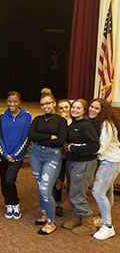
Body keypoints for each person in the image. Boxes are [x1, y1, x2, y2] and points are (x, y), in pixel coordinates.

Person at [28, 90, 68, 235]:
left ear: (54, 103)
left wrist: (41, 139)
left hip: (52, 156)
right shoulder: (38, 119)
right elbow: (31, 135)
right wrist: (49, 136)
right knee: (40, 186)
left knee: (45, 188)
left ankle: (51, 222)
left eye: (48, 103)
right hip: (36, 154)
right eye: (42, 104)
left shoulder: (61, 121)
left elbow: (60, 140)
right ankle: (44, 214)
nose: (45, 106)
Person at [63, 99, 99, 236]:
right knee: (73, 191)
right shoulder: (74, 123)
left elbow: (94, 146)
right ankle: (77, 217)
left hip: (84, 163)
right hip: (73, 161)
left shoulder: (86, 125)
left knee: (77, 194)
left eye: (78, 108)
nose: (74, 110)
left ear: (84, 110)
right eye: (73, 107)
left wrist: (73, 148)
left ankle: (88, 224)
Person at [0, 91, 31, 220]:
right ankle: (8, 204)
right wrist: (5, 154)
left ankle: (15, 203)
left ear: (19, 102)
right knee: (3, 181)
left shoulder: (27, 116)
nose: (12, 104)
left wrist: (15, 154)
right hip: (4, 155)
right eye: (10, 101)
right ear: (7, 102)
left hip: (17, 156)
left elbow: (27, 138)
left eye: (15, 102)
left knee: (9, 179)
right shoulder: (1, 116)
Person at [89, 98, 120, 240]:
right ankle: (103, 218)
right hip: (107, 161)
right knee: (107, 192)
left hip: (110, 162)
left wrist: (82, 150)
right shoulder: (98, 123)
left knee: (97, 192)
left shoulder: (106, 125)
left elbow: (101, 149)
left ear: (103, 111)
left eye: (96, 108)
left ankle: (108, 226)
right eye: (91, 106)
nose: (92, 110)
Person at [53, 99, 73, 217]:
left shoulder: (76, 121)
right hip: (60, 155)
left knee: (72, 180)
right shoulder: (56, 122)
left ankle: (74, 205)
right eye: (61, 108)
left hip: (73, 156)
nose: (64, 110)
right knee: (58, 179)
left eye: (66, 107)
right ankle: (57, 202)